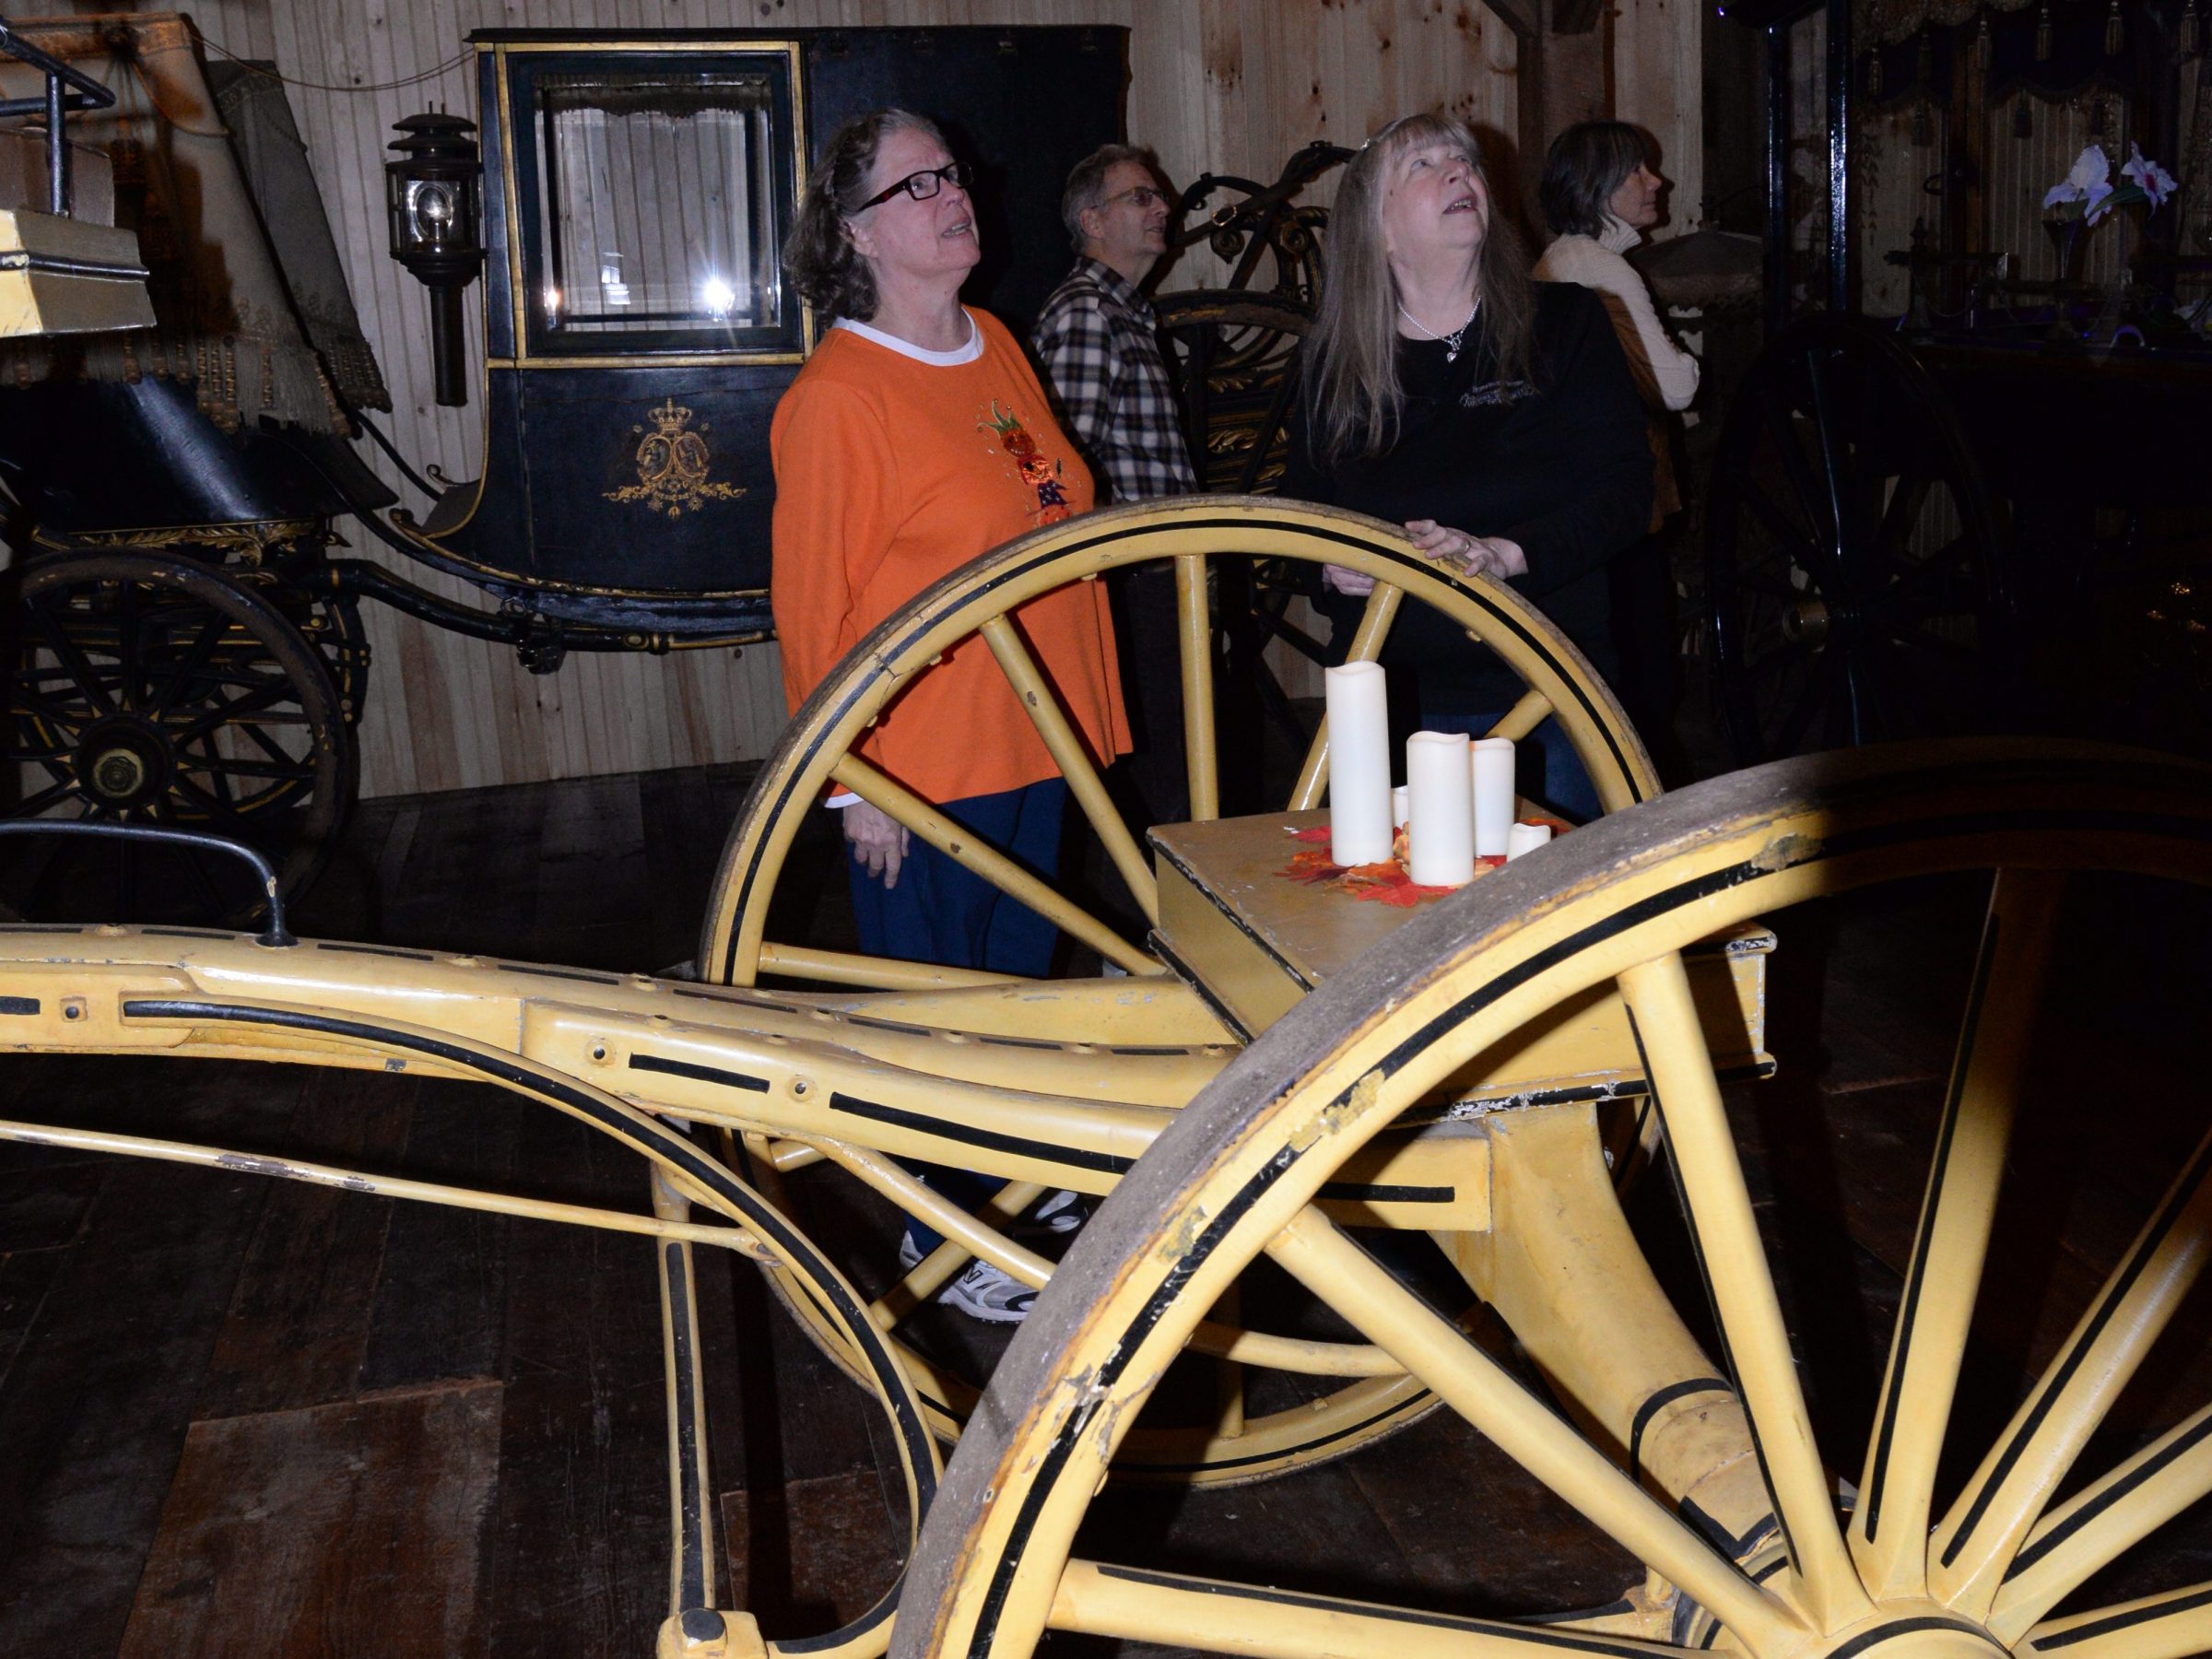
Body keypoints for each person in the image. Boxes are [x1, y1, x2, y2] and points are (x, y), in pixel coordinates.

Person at [773, 110, 1128, 1320]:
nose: (952, 195)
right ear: (857, 231)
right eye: (916, 184)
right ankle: (960, 1230)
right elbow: (813, 608)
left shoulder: (993, 340)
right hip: (922, 759)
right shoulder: (838, 396)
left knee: (1016, 993)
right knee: (934, 1010)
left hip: (1043, 731)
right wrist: (847, 779)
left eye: (954, 175)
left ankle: (1020, 1181)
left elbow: (1048, 491)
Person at [1281, 112, 1653, 822]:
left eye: (1466, 161)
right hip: (1393, 704)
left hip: (1551, 689)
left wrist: (1507, 556)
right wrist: (1330, 568)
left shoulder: (1564, 323)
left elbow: (1625, 492)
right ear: (1379, 229)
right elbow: (1299, 512)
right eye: (1424, 165)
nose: (1460, 172)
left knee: (1564, 913)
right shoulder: (1331, 365)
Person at [1031, 144, 1200, 830]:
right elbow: (1064, 468)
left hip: (1151, 572)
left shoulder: (1124, 310)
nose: (1163, 208)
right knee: (1158, 770)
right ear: (1093, 222)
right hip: (1128, 579)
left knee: (1174, 762)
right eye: (1142, 198)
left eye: (1159, 197)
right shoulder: (1086, 313)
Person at [1534, 121, 1700, 754]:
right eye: (1637, 170)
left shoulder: (1554, 259)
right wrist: (1690, 360)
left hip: (1569, 495)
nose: (1655, 180)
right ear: (1599, 186)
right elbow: (1677, 387)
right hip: (1623, 494)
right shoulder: (1604, 270)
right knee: (1644, 671)